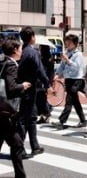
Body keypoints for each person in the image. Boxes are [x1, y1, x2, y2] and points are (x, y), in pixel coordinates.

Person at [18, 27, 53, 156]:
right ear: (32, 36)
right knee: (23, 119)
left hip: (22, 88)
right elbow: (40, 70)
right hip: (29, 89)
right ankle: (19, 149)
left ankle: (35, 146)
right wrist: (48, 85)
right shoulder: (33, 53)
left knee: (32, 117)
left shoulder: (21, 51)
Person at [0, 39, 31, 175]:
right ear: (14, 50)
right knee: (17, 145)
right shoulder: (11, 66)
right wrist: (23, 86)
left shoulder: (2, 62)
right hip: (5, 112)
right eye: (20, 49)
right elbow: (11, 89)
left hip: (1, 110)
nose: (21, 51)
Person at [52, 34, 86, 130]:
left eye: (69, 42)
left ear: (75, 44)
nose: (67, 44)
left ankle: (62, 121)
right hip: (69, 79)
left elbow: (76, 67)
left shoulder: (78, 54)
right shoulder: (67, 52)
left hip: (76, 80)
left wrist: (68, 60)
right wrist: (57, 74)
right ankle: (83, 120)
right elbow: (62, 65)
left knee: (69, 101)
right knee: (75, 101)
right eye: (67, 42)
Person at [36, 45, 54, 124]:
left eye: (40, 47)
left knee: (41, 98)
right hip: (46, 80)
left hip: (43, 81)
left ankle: (47, 113)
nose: (39, 49)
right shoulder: (49, 58)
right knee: (41, 98)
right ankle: (43, 115)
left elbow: (43, 71)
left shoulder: (44, 58)